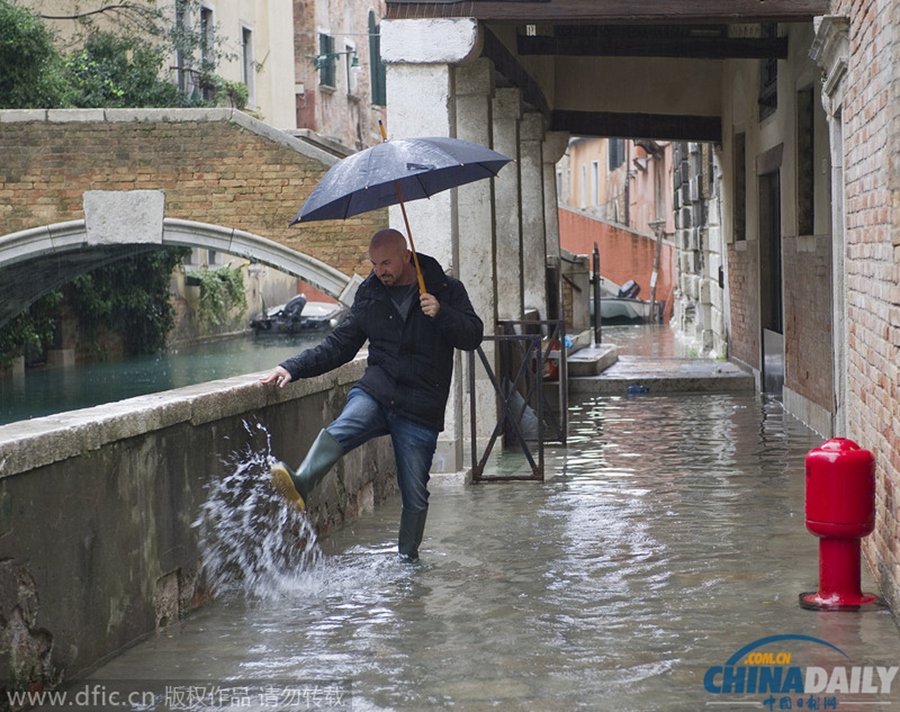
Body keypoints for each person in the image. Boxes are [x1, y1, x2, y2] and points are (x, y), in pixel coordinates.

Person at [260, 229, 484, 561]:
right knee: (347, 423)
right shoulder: (370, 294)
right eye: (375, 264)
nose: (380, 271)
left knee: (415, 495)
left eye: (387, 263)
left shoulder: (446, 290)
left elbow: (473, 336)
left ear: (407, 257)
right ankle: (302, 482)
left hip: (421, 404)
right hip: (378, 389)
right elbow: (340, 346)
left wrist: (441, 313)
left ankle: (407, 562)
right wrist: (292, 367)